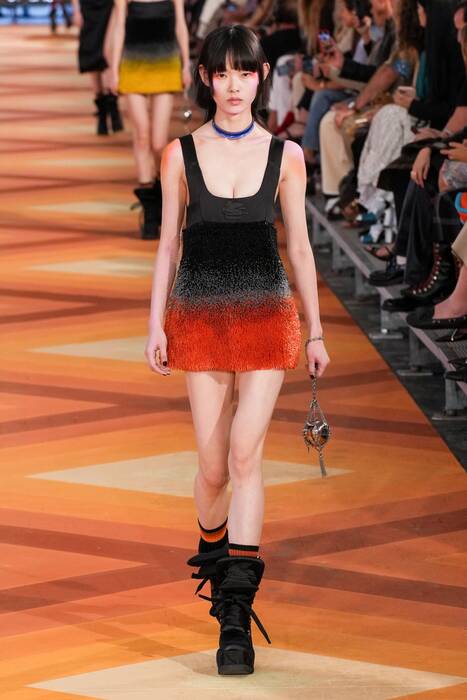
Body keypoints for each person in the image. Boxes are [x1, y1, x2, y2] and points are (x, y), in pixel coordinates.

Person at [145, 25, 330, 676]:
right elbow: (168, 245)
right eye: (221, 73)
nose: (232, 86)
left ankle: (234, 613)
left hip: (267, 316)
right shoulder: (179, 154)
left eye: (244, 73)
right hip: (198, 316)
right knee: (212, 466)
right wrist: (155, 324)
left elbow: (299, 247)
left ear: (259, 78)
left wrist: (315, 330)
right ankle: (213, 551)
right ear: (205, 78)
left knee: (246, 455)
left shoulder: (286, 156)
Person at [110, 0, 191, 239]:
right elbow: (119, 27)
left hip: (165, 64)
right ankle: (149, 211)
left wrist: (186, 65)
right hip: (132, 64)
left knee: (158, 143)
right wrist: (114, 69)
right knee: (142, 135)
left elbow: (181, 25)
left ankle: (159, 191)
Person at [72, 0, 124, 135]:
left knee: (107, 56)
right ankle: (102, 113)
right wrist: (76, 10)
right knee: (91, 56)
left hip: (108, 8)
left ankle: (112, 105)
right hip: (88, 8)